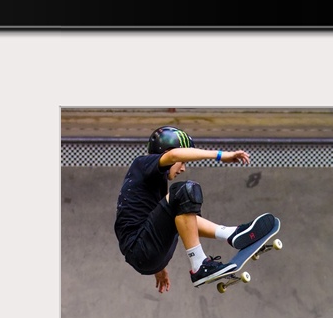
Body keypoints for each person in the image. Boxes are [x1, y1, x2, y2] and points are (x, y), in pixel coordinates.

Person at [114, 125, 276, 293]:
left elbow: (166, 222)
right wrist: (221, 155)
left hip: (148, 254)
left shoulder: (152, 184)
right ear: (167, 152)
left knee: (179, 209)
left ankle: (230, 234)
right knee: (184, 191)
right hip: (140, 249)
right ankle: (199, 265)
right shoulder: (141, 164)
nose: (183, 168)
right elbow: (174, 155)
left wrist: (157, 266)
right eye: (182, 162)